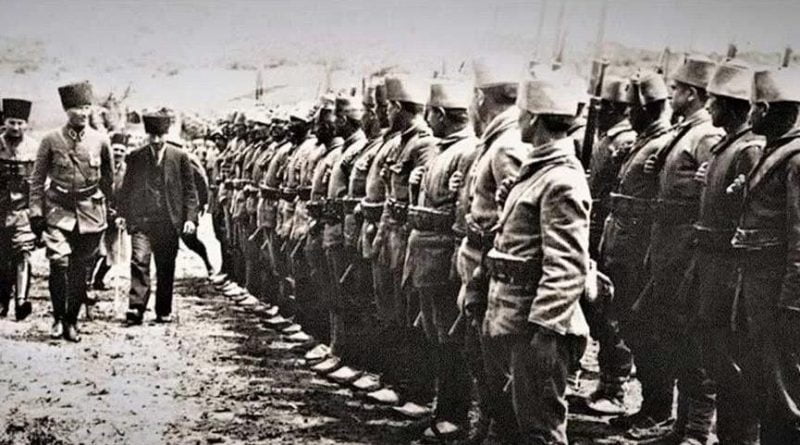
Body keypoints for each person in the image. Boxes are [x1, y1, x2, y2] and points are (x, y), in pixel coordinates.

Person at [482, 73, 590, 445]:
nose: (518, 120)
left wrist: (547, 331)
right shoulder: (539, 172)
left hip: (537, 327)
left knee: (540, 430)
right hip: (515, 317)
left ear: (535, 119)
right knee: (518, 422)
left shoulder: (560, 180)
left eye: (523, 113)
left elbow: (567, 265)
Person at [631, 56, 723, 444]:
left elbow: (713, 197)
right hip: (667, 249)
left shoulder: (706, 136)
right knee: (673, 336)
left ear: (693, 94)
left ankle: (697, 430)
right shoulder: (686, 132)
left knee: (692, 341)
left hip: (686, 252)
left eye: (679, 89)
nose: (672, 95)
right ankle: (681, 425)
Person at [681, 59, 763, 445]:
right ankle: (692, 428)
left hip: (727, 272)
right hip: (708, 264)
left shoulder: (749, 149)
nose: (708, 106)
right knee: (705, 352)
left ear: (731, 105)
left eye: (714, 100)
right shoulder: (726, 146)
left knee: (729, 364)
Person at [456, 55, 529, 443]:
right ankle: (488, 426)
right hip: (480, 268)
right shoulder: (496, 142)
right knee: (480, 358)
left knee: (494, 364)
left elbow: (517, 220)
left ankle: (500, 432)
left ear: (481, 99)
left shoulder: (507, 147)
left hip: (492, 272)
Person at [599, 71, 674, 430]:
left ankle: (658, 409)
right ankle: (650, 406)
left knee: (647, 334)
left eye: (633, 108)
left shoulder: (663, 144)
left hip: (641, 255)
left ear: (648, 108)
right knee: (631, 329)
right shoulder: (645, 141)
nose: (628, 114)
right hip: (624, 249)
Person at [405, 80, 476, 441]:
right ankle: (442, 408)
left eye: (431, 113)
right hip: (428, 254)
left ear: (442, 114)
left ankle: (455, 414)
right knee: (435, 335)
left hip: (445, 256)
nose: (427, 119)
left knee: (451, 340)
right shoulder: (440, 149)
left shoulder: (467, 151)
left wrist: (456, 263)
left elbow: (462, 212)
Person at [732, 66, 800, 444]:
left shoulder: (795, 158)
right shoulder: (774, 151)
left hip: (779, 295)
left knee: (783, 392)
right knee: (763, 383)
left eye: (754, 107)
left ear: (767, 109)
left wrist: (792, 302)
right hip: (759, 287)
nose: (749, 115)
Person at [29, 81, 114, 342]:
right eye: (77, 108)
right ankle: (57, 317)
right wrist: (36, 212)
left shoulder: (100, 140)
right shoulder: (51, 140)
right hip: (58, 209)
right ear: (67, 110)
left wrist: (111, 209)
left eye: (87, 107)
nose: (83, 113)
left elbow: (108, 179)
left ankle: (71, 320)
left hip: (90, 213)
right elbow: (37, 179)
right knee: (59, 262)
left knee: (80, 269)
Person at [583, 77, 638, 415]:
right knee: (597, 310)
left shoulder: (625, 140)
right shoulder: (607, 138)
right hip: (596, 230)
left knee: (610, 312)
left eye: (604, 106)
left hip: (612, 232)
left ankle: (615, 386)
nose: (598, 111)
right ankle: (606, 381)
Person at [117, 111, 199, 325]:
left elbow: (190, 191)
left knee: (165, 266)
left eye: (159, 136)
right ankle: (136, 307)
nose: (155, 140)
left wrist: (190, 218)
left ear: (166, 134)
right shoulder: (136, 157)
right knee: (139, 260)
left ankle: (163, 310)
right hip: (142, 221)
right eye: (152, 136)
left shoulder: (180, 157)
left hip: (168, 222)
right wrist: (122, 214)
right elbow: (126, 189)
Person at [0, 98, 38, 320]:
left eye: (20, 123)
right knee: (2, 257)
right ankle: (2, 300)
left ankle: (21, 301)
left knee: (23, 252)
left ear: (26, 124)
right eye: (11, 122)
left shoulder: (34, 147)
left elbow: (41, 181)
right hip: (1, 209)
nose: (15, 127)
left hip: (23, 210)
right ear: (4, 122)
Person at [90, 131, 129, 291]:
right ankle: (85, 282)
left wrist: (121, 214)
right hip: (98, 212)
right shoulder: (101, 167)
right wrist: (105, 209)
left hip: (117, 216)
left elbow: (129, 195)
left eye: (121, 150)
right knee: (97, 251)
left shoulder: (128, 171)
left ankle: (98, 279)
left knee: (114, 252)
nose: (118, 153)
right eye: (115, 149)